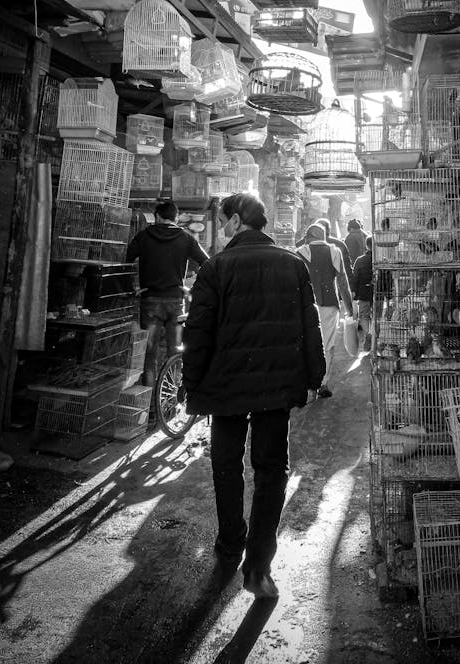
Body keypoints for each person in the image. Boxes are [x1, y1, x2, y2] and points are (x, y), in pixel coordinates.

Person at [182, 192, 325, 599]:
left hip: (225, 388)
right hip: (275, 390)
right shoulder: (292, 263)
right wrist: (315, 378)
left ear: (235, 221)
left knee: (226, 466)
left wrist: (192, 385)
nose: (223, 225)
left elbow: (198, 335)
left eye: (225, 219)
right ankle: (258, 567)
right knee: (271, 470)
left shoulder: (216, 268)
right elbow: (309, 325)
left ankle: (230, 544)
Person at [126, 199, 209, 388]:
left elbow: (126, 258)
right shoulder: (187, 238)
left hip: (150, 302)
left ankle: (149, 407)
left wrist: (134, 287)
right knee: (176, 353)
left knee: (149, 355)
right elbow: (208, 263)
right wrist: (191, 289)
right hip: (176, 302)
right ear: (176, 218)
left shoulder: (144, 236)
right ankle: (170, 402)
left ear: (157, 217)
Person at [296, 223, 353, 399]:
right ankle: (323, 384)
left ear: (309, 237)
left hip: (304, 305)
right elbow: (343, 282)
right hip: (329, 304)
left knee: (304, 342)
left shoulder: (299, 253)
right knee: (327, 345)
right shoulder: (334, 251)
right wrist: (350, 308)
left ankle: (306, 385)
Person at [350, 235, 373, 352]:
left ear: (366, 245)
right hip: (378, 293)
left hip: (364, 293)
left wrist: (353, 292)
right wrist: (388, 295)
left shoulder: (360, 260)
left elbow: (355, 278)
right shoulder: (381, 260)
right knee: (377, 316)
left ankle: (368, 334)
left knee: (364, 315)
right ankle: (375, 338)